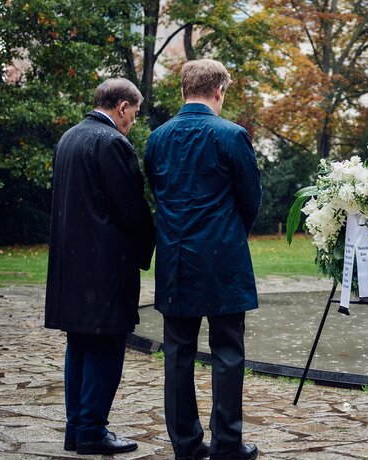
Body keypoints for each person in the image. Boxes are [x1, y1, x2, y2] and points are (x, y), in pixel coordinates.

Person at [145, 59, 261, 460]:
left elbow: (159, 190)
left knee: (178, 352)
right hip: (223, 260)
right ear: (219, 92)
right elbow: (251, 198)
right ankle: (228, 445)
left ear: (183, 91)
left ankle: (186, 445)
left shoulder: (157, 138)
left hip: (176, 260)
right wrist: (230, 234)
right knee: (228, 352)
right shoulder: (232, 135)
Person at [45, 78, 155, 456]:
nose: (133, 122)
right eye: (134, 114)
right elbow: (131, 208)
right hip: (105, 268)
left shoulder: (69, 138)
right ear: (122, 106)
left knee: (78, 346)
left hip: (71, 266)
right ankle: (92, 428)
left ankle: (76, 428)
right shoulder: (111, 143)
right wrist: (146, 250)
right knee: (106, 349)